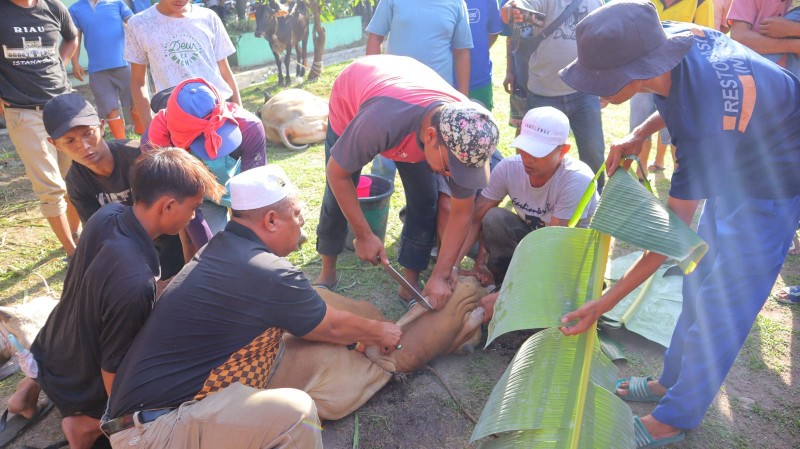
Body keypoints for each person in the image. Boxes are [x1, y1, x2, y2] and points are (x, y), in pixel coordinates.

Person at [558, 2, 800, 447]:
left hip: (775, 178)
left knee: (723, 305)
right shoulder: (667, 37)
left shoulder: (702, 121)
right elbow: (673, 91)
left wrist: (603, 302)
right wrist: (638, 134)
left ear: (636, 69)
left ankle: (675, 417)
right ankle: (670, 381)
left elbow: (669, 238)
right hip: (739, 154)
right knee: (698, 277)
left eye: (600, 80)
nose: (593, 91)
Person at [103, 165, 402, 449]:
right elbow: (332, 326)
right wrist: (380, 332)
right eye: (296, 215)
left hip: (138, 419)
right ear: (271, 220)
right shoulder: (268, 271)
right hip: (153, 434)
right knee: (296, 413)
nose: (302, 224)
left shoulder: (221, 247)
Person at [5, 147, 224, 449]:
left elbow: (93, 291)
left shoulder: (108, 216)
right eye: (193, 208)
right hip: (84, 390)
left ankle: (25, 395)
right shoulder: (135, 284)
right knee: (187, 386)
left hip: (53, 358)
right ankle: (86, 427)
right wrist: (120, 425)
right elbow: (114, 371)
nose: (193, 217)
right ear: (169, 206)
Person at [314, 55, 499, 310]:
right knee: (337, 194)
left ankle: (409, 283)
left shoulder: (469, 133)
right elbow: (338, 174)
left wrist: (442, 273)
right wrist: (363, 234)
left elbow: (461, 212)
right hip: (356, 92)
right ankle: (328, 270)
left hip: (408, 94)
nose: (452, 177)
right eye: (449, 168)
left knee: (425, 199)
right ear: (431, 137)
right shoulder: (380, 122)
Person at [460, 107, 597, 321]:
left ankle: (520, 291)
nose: (527, 158)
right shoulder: (509, 168)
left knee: (552, 312)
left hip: (566, 257)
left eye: (537, 153)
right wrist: (460, 265)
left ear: (563, 150)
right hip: (532, 245)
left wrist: (504, 296)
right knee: (493, 217)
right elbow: (476, 218)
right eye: (524, 149)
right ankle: (502, 276)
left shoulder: (576, 180)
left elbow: (553, 249)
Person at [47, 92, 185, 280]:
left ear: (101, 127)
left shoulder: (139, 156)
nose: (84, 146)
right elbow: (101, 233)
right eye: (70, 140)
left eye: (88, 133)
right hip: (129, 248)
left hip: (171, 239)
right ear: (55, 145)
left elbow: (178, 213)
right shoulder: (76, 181)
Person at [0, 0, 81, 258]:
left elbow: (71, 37)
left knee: (74, 176)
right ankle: (73, 253)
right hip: (23, 110)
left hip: (62, 104)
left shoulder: (54, 7)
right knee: (51, 186)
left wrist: (62, 60)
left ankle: (75, 234)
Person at [501, 0, 606, 191]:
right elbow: (515, 8)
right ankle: (534, 201)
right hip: (543, 93)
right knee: (538, 157)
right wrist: (512, 10)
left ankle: (595, 205)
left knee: (594, 155)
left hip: (584, 92)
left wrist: (603, 83)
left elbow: (600, 44)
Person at [143, 77, 267, 237]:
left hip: (240, 185)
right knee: (211, 246)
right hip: (197, 196)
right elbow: (183, 204)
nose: (213, 151)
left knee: (256, 236)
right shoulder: (156, 146)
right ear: (176, 133)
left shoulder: (250, 128)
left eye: (220, 137)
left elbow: (252, 195)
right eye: (201, 141)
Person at [124, 0, 241, 131]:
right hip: (176, 122)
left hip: (220, 113)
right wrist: (149, 127)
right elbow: (138, 82)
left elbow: (225, 71)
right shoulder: (139, 24)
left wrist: (239, 114)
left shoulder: (209, 17)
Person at [630, 0, 713, 178]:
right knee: (639, 124)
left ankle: (679, 177)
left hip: (678, 78)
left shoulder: (701, 3)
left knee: (676, 129)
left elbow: (704, 40)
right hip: (643, 73)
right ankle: (640, 174)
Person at [68, 0, 143, 139]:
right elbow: (74, 38)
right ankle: (121, 142)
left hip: (124, 63)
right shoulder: (75, 9)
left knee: (136, 100)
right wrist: (75, 62)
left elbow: (135, 24)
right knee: (109, 108)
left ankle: (142, 134)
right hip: (97, 69)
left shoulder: (117, 3)